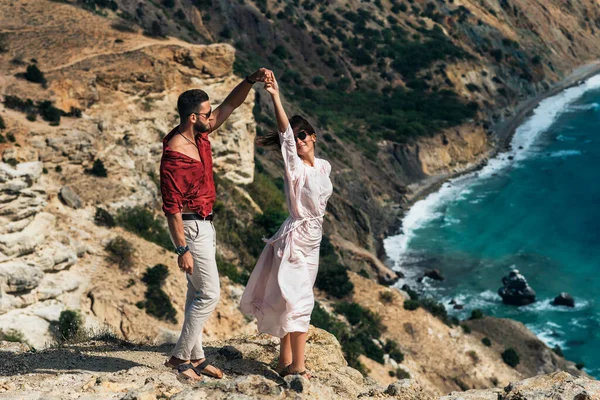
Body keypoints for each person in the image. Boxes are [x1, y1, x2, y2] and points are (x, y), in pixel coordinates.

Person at [160, 67, 273, 382]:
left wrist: (249, 80)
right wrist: (181, 248)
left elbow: (230, 106)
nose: (213, 117)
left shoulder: (200, 133)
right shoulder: (175, 155)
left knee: (195, 295)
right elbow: (171, 209)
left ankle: (196, 358)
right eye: (206, 113)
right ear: (193, 117)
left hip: (206, 225)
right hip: (191, 229)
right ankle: (179, 357)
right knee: (209, 294)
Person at [240, 74, 333, 379]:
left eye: (304, 134)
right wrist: (276, 96)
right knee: (301, 301)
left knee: (289, 299)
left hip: (313, 239)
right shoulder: (295, 169)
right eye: (297, 136)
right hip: (294, 238)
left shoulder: (323, 167)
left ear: (314, 136)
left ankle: (284, 361)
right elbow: (285, 137)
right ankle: (299, 367)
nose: (301, 139)